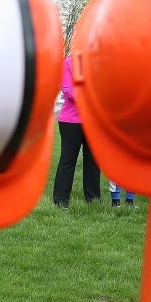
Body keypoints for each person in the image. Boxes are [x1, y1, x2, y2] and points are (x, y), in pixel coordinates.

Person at [52, 56, 101, 207]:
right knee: (67, 160)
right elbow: (68, 90)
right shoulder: (68, 62)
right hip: (71, 122)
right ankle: (60, 200)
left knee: (93, 161)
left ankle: (93, 199)